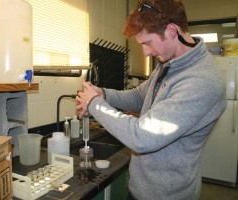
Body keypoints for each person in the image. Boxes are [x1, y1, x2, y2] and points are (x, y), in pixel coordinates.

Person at [76, 0, 227, 199]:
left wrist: (95, 104)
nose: (146, 52)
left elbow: (142, 136)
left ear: (172, 30)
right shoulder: (169, 62)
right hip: (140, 187)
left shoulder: (202, 81)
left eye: (148, 43)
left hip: (167, 195)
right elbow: (140, 96)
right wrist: (103, 94)